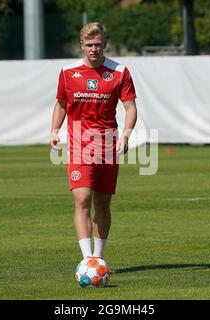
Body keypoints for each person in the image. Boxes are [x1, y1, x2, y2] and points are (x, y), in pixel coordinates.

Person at [49, 22, 137, 261]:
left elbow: (130, 107)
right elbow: (61, 104)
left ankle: (98, 257)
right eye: (89, 45)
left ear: (105, 44)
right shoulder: (68, 72)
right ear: (82, 45)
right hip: (79, 144)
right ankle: (87, 259)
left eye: (98, 44)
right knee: (83, 198)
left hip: (108, 144)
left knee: (103, 203)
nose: (94, 49)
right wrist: (55, 130)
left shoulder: (119, 72)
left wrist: (127, 134)